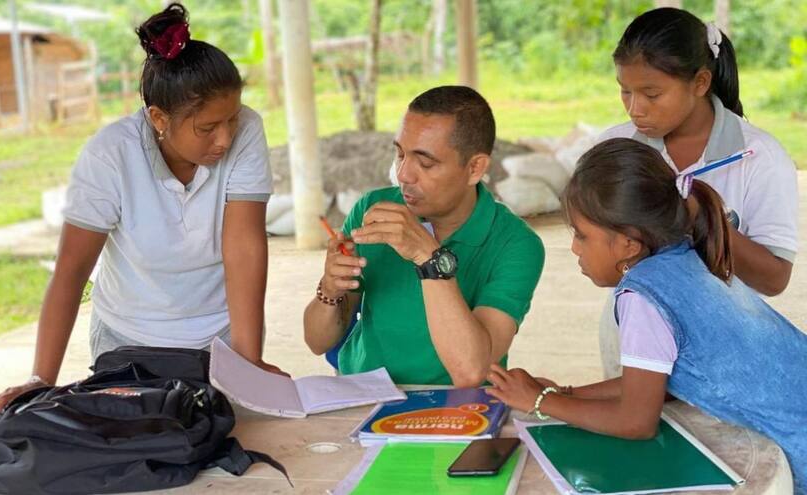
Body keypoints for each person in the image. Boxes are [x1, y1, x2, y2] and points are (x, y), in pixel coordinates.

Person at [0, 3, 284, 421]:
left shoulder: (247, 131)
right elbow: (71, 270)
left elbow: (243, 247)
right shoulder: (110, 155)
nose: (225, 138)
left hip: (220, 341)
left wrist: (247, 363)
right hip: (128, 346)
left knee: (219, 436)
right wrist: (40, 379)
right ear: (158, 118)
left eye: (231, 120)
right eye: (207, 128)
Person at [486, 138, 807, 493]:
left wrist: (541, 403)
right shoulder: (684, 257)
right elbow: (656, 384)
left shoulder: (642, 296)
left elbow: (637, 420)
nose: (574, 248)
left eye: (581, 235)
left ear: (629, 243)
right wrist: (568, 393)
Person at [597, 7, 799, 377]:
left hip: (727, 352)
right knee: (642, 426)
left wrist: (702, 218)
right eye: (625, 91)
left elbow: (774, 279)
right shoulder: (616, 148)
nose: (635, 108)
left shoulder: (757, 158)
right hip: (636, 342)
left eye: (652, 94)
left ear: (701, 82)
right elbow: (595, 255)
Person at [303, 86, 545, 387]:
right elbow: (317, 342)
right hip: (366, 392)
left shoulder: (515, 243)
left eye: (425, 162)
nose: (404, 174)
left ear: (475, 168)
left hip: (456, 407)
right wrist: (330, 287)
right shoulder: (374, 211)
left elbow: (471, 372)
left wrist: (429, 259)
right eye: (400, 154)